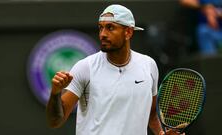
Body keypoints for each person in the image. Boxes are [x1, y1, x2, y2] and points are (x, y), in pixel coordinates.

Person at [46, 4, 185, 135]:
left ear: (128, 32)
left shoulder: (149, 65)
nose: (102, 34)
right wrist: (55, 93)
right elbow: (55, 121)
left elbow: (151, 113)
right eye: (101, 28)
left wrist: (162, 133)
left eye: (110, 27)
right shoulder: (85, 67)